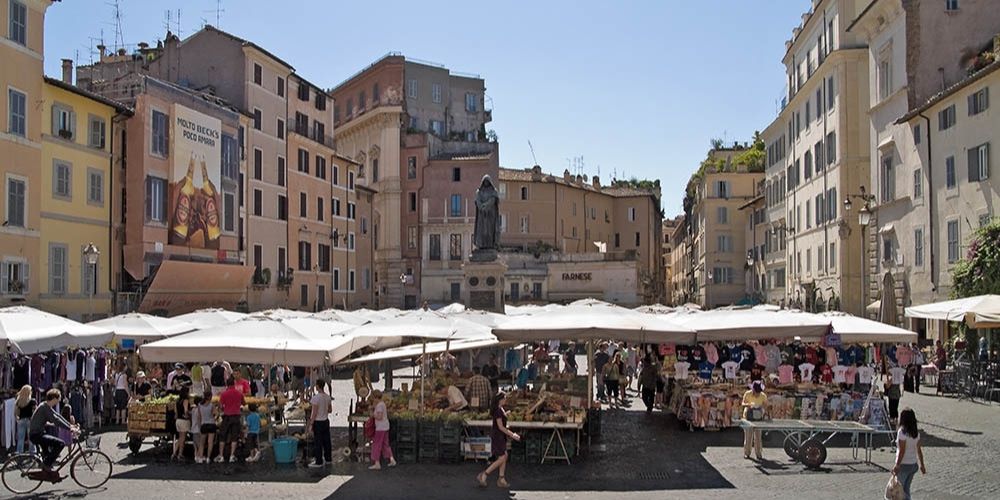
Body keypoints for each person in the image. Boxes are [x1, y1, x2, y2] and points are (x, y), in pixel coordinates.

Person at [29, 389, 78, 479]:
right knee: (60, 443)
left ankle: (50, 474)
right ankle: (46, 465)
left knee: (48, 454)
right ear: (54, 398)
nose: (58, 401)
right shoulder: (44, 408)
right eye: (58, 399)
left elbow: (58, 416)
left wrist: (70, 426)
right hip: (36, 435)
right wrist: (69, 428)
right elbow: (56, 420)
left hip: (37, 433)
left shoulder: (45, 406)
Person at [476, 392, 520, 489]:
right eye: (504, 398)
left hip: (500, 436)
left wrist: (506, 415)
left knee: (504, 455)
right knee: (502, 458)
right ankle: (484, 474)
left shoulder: (500, 410)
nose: (505, 400)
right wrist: (512, 434)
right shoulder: (498, 411)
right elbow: (500, 427)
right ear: (500, 400)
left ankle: (501, 478)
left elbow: (500, 422)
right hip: (498, 436)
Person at [893, 408, 926, 500]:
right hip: (913, 464)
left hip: (904, 464)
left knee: (899, 490)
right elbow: (919, 450)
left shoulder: (902, 432)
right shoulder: (915, 433)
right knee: (906, 489)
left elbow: (902, 451)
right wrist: (922, 465)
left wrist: (897, 465)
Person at [216, 377, 244, 463]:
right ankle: (232, 455)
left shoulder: (224, 394)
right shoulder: (239, 393)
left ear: (227, 384)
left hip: (227, 417)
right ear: (234, 383)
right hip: (236, 416)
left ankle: (221, 455)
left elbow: (220, 406)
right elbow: (244, 403)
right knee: (234, 437)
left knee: (222, 436)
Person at [368, 390, 396, 470]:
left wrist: (373, 414)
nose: (373, 400)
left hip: (380, 428)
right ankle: (391, 459)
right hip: (386, 427)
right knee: (385, 444)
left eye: (373, 398)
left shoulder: (379, 405)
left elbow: (379, 417)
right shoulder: (382, 404)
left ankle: (377, 462)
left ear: (376, 397)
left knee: (376, 444)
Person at [308, 378, 333, 467]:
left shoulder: (315, 398)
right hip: (325, 421)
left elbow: (314, 413)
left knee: (318, 442)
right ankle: (328, 458)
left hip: (318, 422)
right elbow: (330, 410)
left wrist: (311, 424)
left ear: (318, 386)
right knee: (327, 441)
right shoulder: (328, 397)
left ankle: (319, 461)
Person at [741, 380, 768, 460]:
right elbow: (743, 403)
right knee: (748, 437)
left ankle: (759, 454)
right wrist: (749, 405)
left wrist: (762, 409)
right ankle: (747, 453)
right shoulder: (747, 394)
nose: (758, 393)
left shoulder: (763, 395)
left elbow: (766, 405)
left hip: (758, 417)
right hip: (748, 417)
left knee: (758, 437)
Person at [196, 391, 217, 464]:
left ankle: (201, 457)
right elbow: (215, 414)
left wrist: (199, 426)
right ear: (210, 397)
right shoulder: (212, 405)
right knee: (210, 442)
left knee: (202, 443)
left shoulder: (199, 405)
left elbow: (199, 417)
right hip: (211, 424)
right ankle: (208, 457)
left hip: (203, 424)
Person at [172, 386, 192, 461]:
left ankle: (174, 453)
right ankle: (180, 454)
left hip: (178, 421)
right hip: (184, 420)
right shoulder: (186, 400)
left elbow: (176, 413)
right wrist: (189, 414)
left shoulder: (177, 401)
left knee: (180, 438)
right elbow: (186, 410)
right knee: (182, 439)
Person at [14, 385, 36, 454]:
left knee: (21, 438)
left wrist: (17, 419)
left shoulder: (18, 401)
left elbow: (15, 412)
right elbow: (35, 411)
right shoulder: (32, 401)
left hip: (21, 420)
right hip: (30, 420)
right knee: (31, 437)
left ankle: (19, 452)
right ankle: (32, 451)